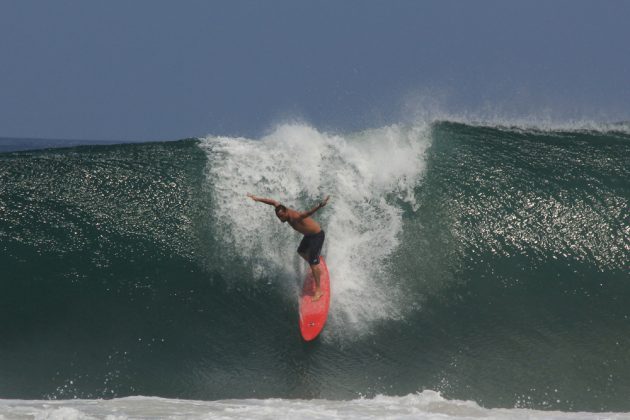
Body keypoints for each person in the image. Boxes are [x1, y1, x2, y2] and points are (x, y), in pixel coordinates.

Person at [247, 193, 330, 301]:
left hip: (317, 235)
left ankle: (318, 290)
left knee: (313, 263)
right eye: (278, 216)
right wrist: (257, 198)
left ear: (286, 212)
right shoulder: (281, 209)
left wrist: (320, 205)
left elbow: (308, 213)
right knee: (301, 251)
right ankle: (315, 265)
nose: (280, 218)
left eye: (282, 216)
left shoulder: (295, 217)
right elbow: (272, 202)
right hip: (308, 235)